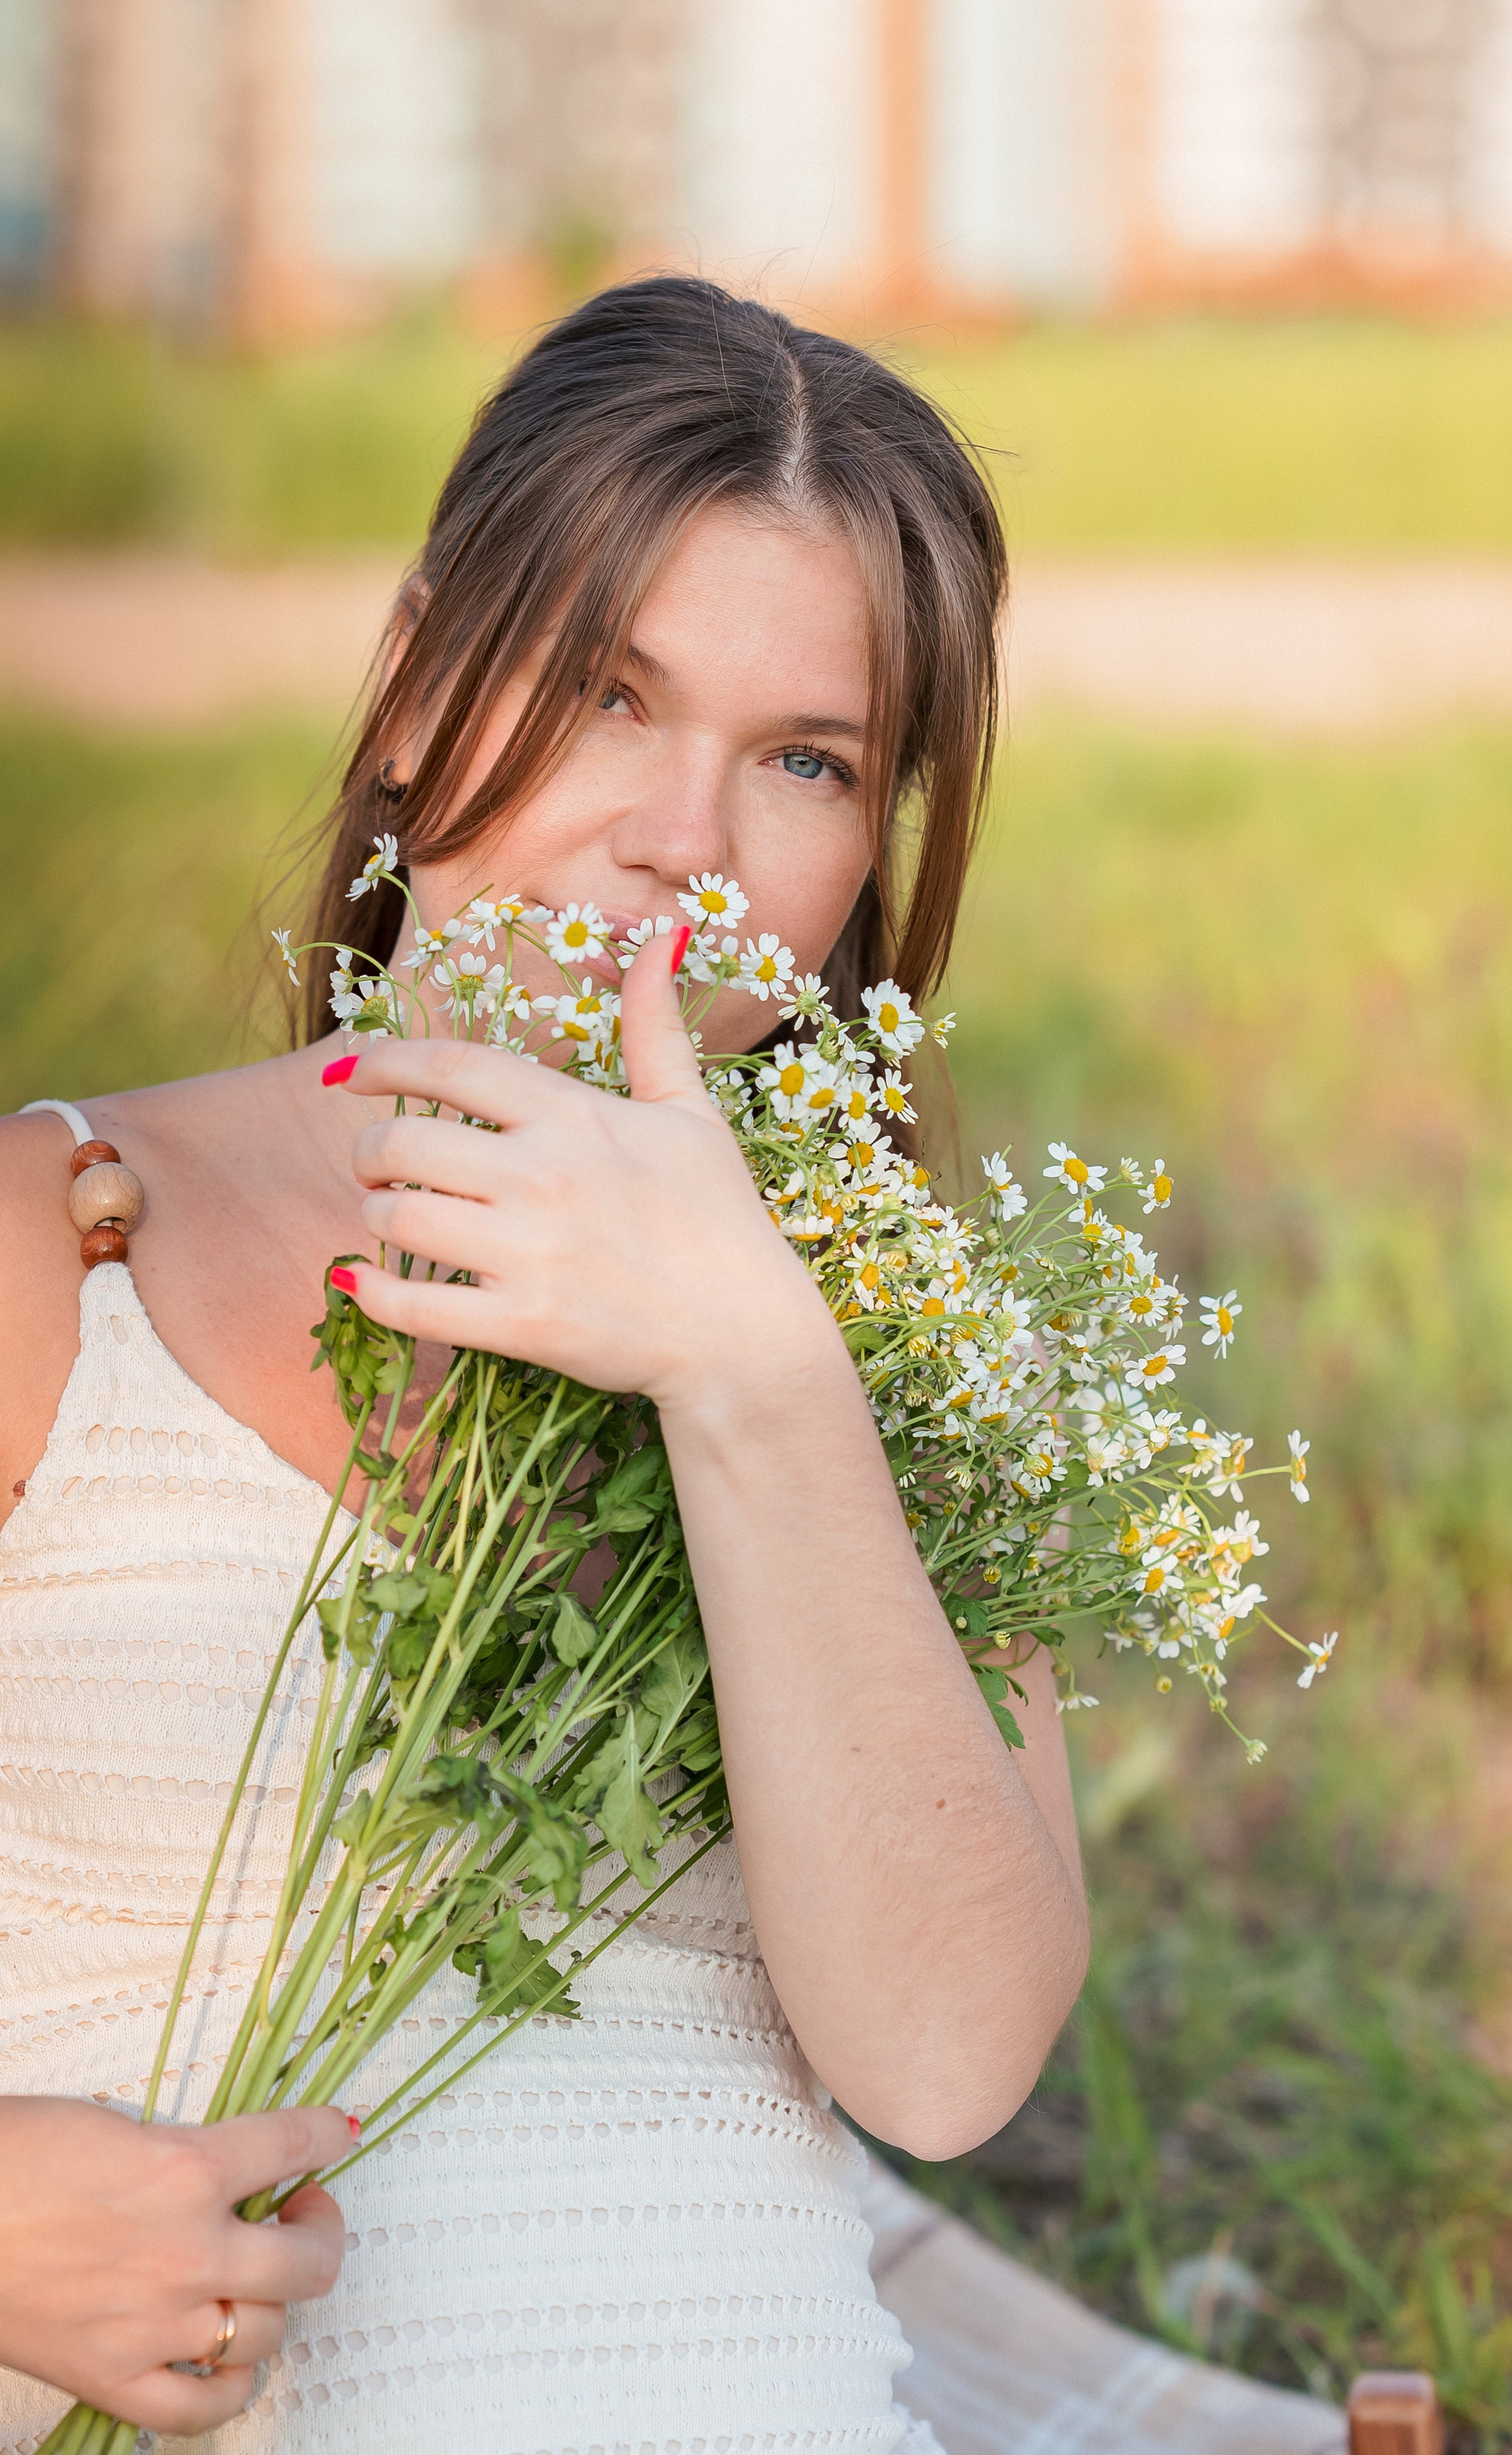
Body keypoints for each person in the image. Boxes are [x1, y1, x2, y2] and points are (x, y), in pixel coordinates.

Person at [0, 277, 1089, 2452]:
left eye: (808, 760)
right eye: (609, 694)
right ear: (414, 686)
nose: (686, 839)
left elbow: (948, 2059)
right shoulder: (67, 1239)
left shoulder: (885, 1364)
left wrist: (758, 1371)